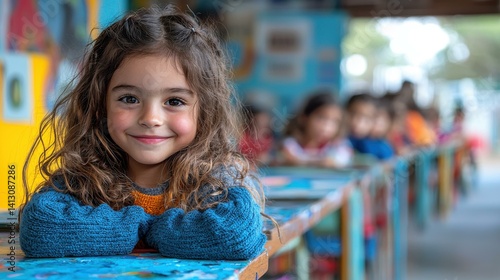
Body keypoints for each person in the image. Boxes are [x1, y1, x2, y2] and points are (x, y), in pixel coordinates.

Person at [19, 5, 267, 260]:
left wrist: (146, 230)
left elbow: (237, 235)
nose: (150, 118)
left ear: (204, 111)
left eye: (174, 101)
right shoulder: (86, 176)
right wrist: (139, 225)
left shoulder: (214, 179)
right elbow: (39, 227)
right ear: (99, 105)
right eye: (129, 98)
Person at [280, 91, 353, 168]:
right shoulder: (290, 145)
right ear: (304, 118)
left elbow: (340, 161)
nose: (327, 126)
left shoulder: (339, 146)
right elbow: (288, 159)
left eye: (335, 121)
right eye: (321, 118)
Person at [346, 93, 394, 161]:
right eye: (352, 114)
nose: (357, 123)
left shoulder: (380, 147)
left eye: (366, 118)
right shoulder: (337, 141)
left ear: (374, 121)